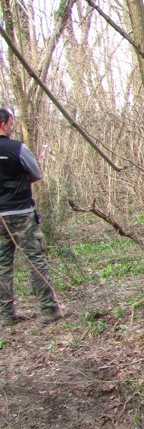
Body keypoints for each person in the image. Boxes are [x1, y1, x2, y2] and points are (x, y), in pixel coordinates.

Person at [0, 108, 64, 326]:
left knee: (2, 265)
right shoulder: (18, 148)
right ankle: (48, 310)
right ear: (4, 124)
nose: (12, 126)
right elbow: (36, 174)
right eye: (11, 123)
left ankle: (6, 315)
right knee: (35, 260)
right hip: (21, 212)